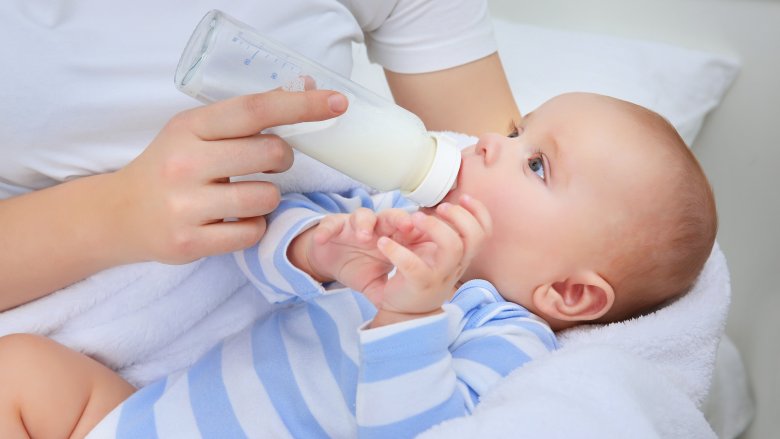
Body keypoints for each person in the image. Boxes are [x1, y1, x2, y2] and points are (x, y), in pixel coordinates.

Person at [0, 92, 718, 438]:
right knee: (22, 369)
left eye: (536, 163)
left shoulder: (502, 335)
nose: (490, 144)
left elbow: (420, 427)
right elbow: (258, 242)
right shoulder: (391, 210)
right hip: (134, 419)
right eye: (514, 127)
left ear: (567, 291)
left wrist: (410, 313)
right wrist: (316, 248)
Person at [0, 0, 520, 311]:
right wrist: (112, 215)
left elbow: (527, 232)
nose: (496, 143)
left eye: (529, 154)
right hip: (62, 324)